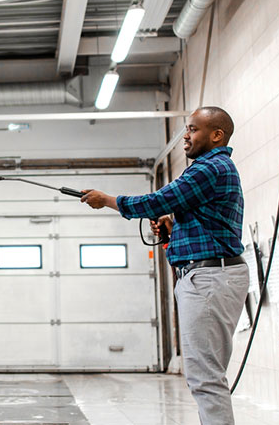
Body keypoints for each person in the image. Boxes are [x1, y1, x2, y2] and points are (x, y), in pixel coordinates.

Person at [80, 106, 249, 425]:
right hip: (210, 273)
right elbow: (200, 223)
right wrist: (173, 230)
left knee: (205, 378)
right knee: (207, 375)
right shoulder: (214, 169)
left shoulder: (210, 168)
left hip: (209, 277)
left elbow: (159, 200)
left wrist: (109, 201)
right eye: (186, 128)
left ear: (216, 135)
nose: (186, 135)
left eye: (193, 129)